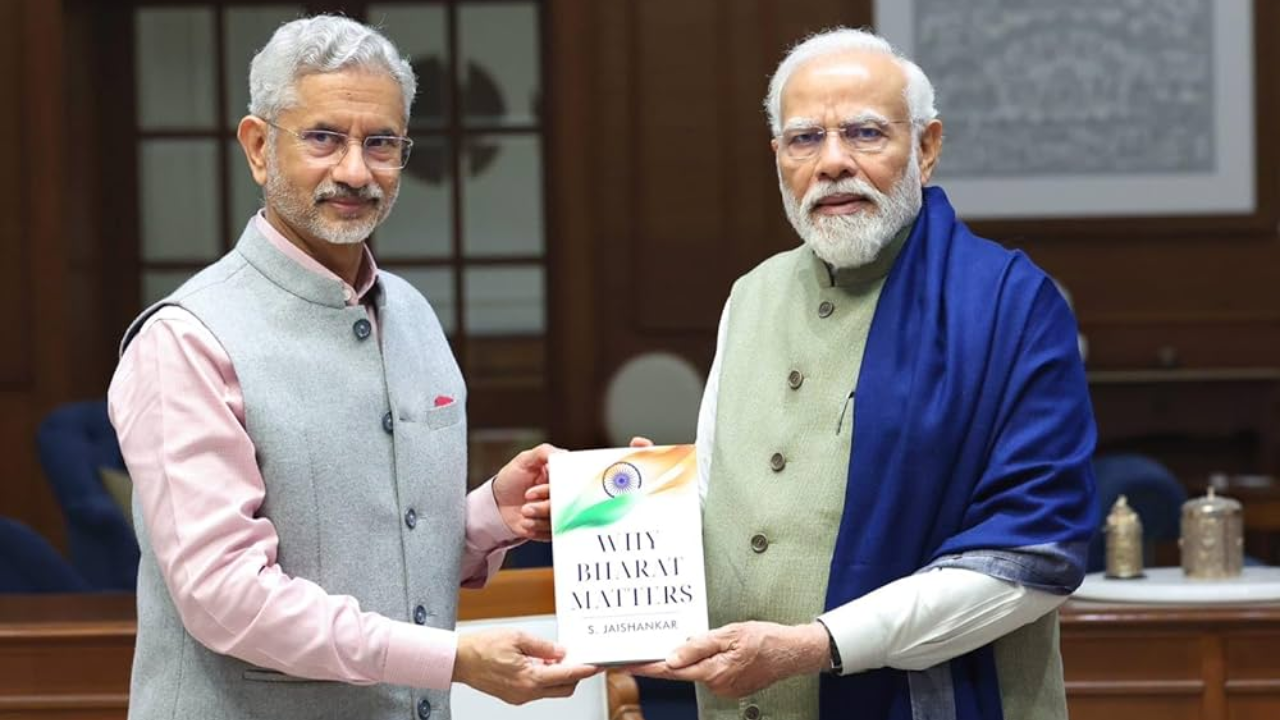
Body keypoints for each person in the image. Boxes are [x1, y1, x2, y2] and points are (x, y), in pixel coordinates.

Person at [108, 15, 592, 720]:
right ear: (258, 148)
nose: (356, 171)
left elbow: (377, 547)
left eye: (381, 143)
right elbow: (227, 598)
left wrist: (492, 515)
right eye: (323, 138)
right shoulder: (186, 340)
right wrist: (451, 658)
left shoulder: (415, 316)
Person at [630, 27, 1098, 720]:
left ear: (927, 148)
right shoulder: (750, 295)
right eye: (804, 139)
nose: (833, 163)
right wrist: (642, 512)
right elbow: (720, 500)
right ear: (778, 158)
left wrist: (818, 644)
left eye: (866, 134)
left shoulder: (1010, 304)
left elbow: (1036, 553)